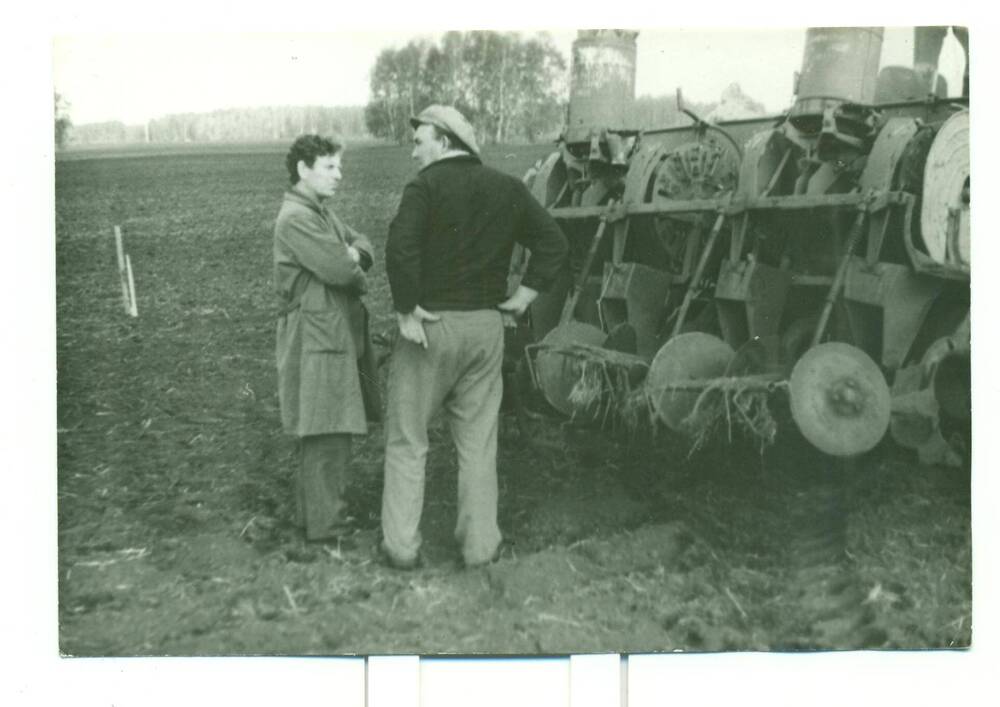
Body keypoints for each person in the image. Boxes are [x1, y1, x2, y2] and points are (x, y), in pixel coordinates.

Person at [380, 105, 568, 569]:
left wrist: (406, 308)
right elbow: (555, 243)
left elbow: (399, 246)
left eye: (419, 140)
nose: (413, 151)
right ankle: (480, 546)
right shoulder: (507, 187)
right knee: (479, 445)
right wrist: (524, 296)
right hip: (486, 330)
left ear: (444, 142)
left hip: (430, 328)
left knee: (407, 439)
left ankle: (401, 547)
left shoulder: (424, 187)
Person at [273, 135, 380, 542]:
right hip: (316, 335)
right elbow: (341, 269)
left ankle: (314, 520)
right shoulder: (298, 218)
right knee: (326, 427)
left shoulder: (320, 213)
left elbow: (363, 244)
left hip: (325, 331)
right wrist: (350, 257)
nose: (340, 175)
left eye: (339, 166)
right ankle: (328, 527)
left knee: (325, 427)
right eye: (330, 167)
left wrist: (353, 253)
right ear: (303, 169)